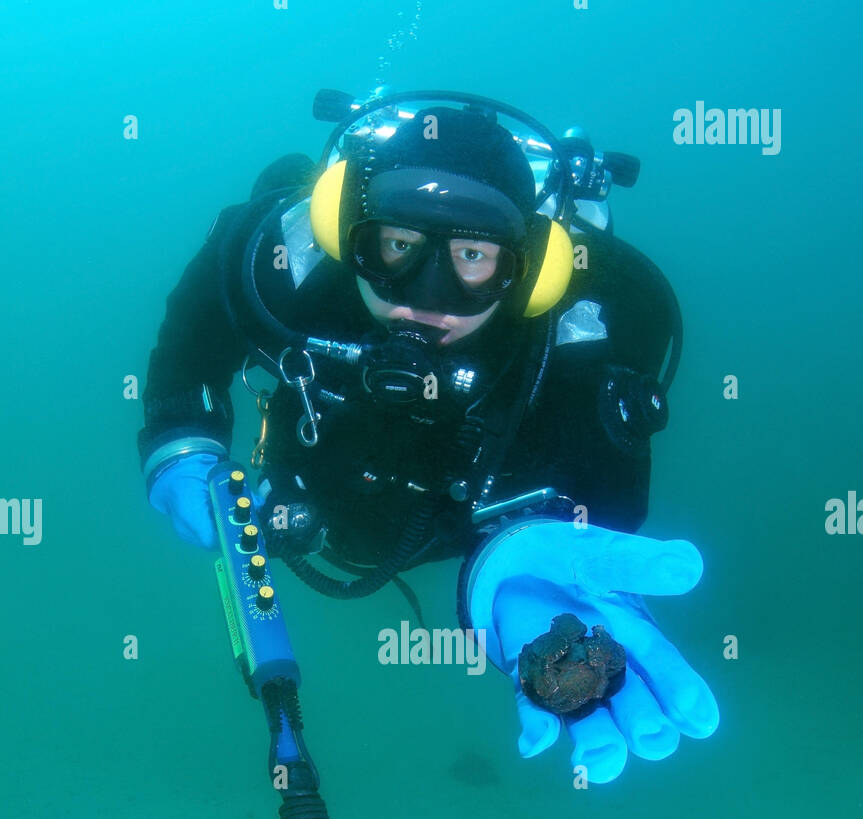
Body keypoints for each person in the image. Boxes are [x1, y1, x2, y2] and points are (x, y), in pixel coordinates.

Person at [139, 89, 718, 783]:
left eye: (473, 256)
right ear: (345, 231)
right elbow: (192, 343)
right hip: (318, 490)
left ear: (527, 268)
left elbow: (604, 505)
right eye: (396, 246)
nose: (424, 296)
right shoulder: (277, 262)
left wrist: (520, 570)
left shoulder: (578, 334)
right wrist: (183, 446)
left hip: (469, 516)